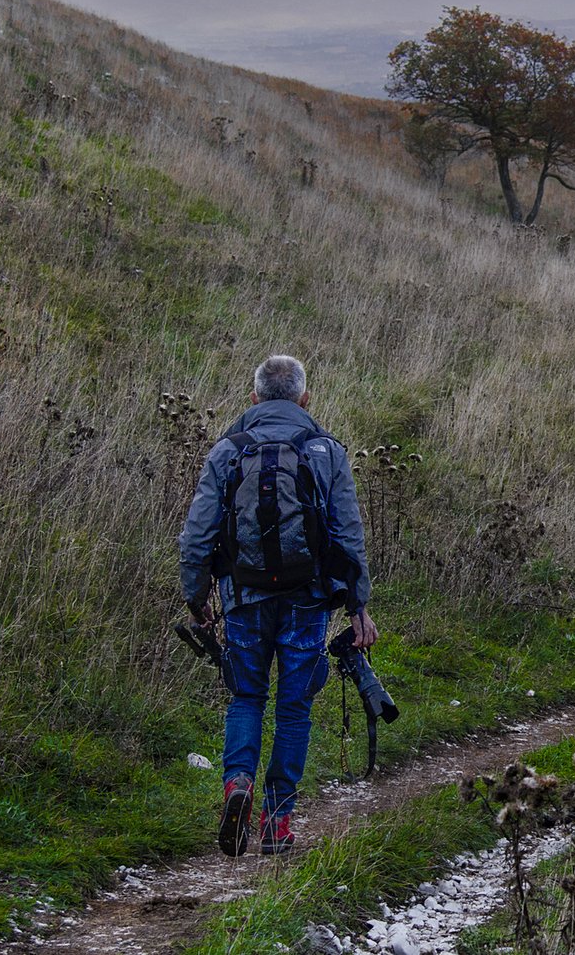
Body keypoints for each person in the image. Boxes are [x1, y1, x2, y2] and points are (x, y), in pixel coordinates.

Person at [179, 354, 376, 856]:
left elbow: (197, 533)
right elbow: (348, 535)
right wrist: (357, 605)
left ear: (253, 399)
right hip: (307, 602)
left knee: (245, 697)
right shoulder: (326, 450)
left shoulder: (228, 450)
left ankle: (237, 783)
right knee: (293, 709)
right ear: (305, 399)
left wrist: (196, 596)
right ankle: (277, 822)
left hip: (242, 598)